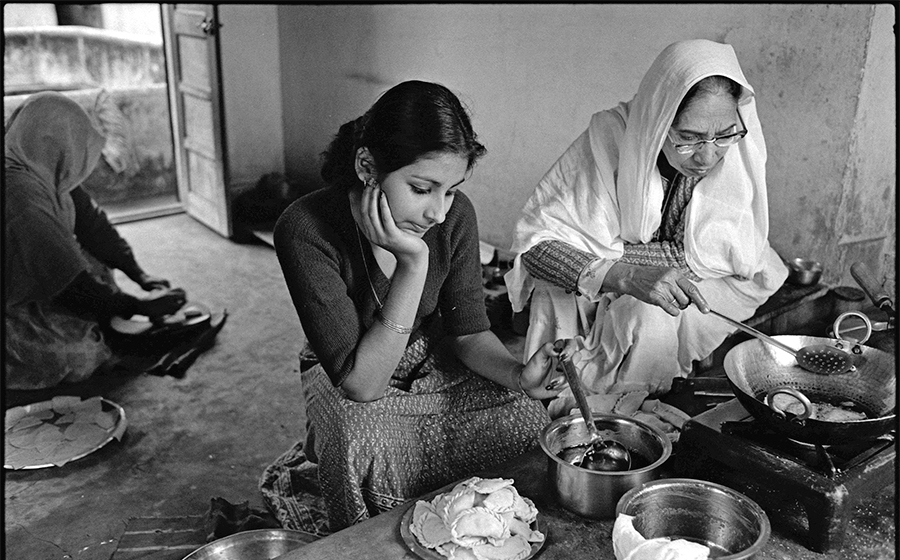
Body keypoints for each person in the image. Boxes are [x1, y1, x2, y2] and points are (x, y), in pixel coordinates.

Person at [262, 80, 561, 533]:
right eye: (422, 189)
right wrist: (412, 263)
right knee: (363, 443)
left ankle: (468, 532)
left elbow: (468, 331)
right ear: (367, 165)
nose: (438, 213)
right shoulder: (305, 229)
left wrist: (519, 375)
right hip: (346, 367)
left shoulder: (454, 215)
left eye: (450, 190)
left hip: (430, 356)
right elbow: (362, 385)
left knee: (524, 420)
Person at [505, 40, 788, 414]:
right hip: (608, 278)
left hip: (715, 281)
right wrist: (621, 275)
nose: (708, 156)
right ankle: (565, 401)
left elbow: (707, 255)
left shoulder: (734, 157)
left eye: (723, 135)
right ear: (657, 121)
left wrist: (602, 254)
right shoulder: (611, 138)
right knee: (555, 290)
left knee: (650, 315)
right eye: (687, 138)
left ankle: (628, 409)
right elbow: (535, 248)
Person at [4, 92, 186, 390]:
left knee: (95, 266)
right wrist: (139, 306)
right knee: (78, 355)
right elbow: (71, 286)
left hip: (40, 278)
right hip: (13, 304)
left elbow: (93, 226)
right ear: (57, 144)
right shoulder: (19, 195)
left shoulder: (42, 165)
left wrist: (140, 274)